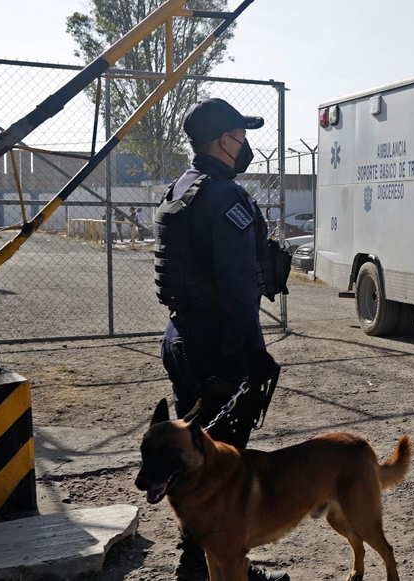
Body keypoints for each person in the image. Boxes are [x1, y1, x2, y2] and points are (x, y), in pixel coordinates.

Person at [153, 98, 288, 581]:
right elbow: (236, 284)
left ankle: (201, 561)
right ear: (227, 139)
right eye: (242, 133)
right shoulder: (226, 196)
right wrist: (254, 353)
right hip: (218, 345)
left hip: (182, 337)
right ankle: (206, 567)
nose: (246, 142)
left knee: (193, 456)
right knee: (218, 466)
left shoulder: (181, 187)